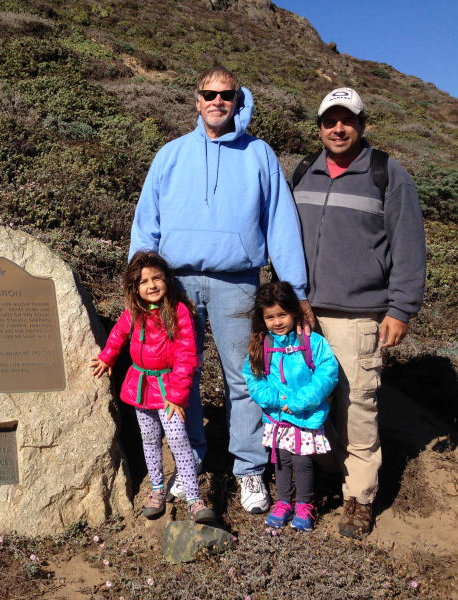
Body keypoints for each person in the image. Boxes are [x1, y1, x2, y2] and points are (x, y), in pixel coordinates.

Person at [129, 65, 311, 514]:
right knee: (179, 377)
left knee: (246, 377)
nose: (216, 101)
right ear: (196, 100)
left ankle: (248, 471)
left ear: (238, 100)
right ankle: (188, 460)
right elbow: (145, 225)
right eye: (208, 94)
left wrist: (297, 291)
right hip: (177, 285)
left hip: (239, 283)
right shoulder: (169, 155)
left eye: (226, 95)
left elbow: (281, 225)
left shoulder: (260, 155)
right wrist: (139, 289)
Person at [290, 87, 426, 538]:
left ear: (362, 125)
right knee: (312, 401)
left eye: (347, 120)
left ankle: (359, 497)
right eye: (330, 120)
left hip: (361, 314)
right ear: (320, 126)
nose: (338, 128)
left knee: (357, 406)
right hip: (304, 312)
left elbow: (409, 246)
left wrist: (401, 308)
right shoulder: (304, 171)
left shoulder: (388, 173)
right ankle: (327, 472)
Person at [90, 251, 215, 523]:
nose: (152, 285)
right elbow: (119, 335)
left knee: (179, 441)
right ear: (134, 287)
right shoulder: (133, 312)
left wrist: (178, 396)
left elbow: (186, 355)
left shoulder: (178, 311)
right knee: (149, 440)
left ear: (167, 280)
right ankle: (157, 490)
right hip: (141, 385)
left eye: (157, 278)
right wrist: (107, 357)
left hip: (169, 388)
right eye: (144, 281)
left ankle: (194, 498)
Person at [242, 282, 338, 531]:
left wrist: (297, 401)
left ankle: (304, 504)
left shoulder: (312, 342)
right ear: (262, 318)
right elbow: (253, 378)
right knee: (281, 460)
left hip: (305, 416)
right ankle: (284, 501)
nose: (276, 322)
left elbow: (327, 374)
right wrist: (275, 400)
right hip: (277, 417)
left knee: (303, 462)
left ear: (294, 312)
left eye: (282, 314)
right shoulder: (261, 345)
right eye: (270, 317)